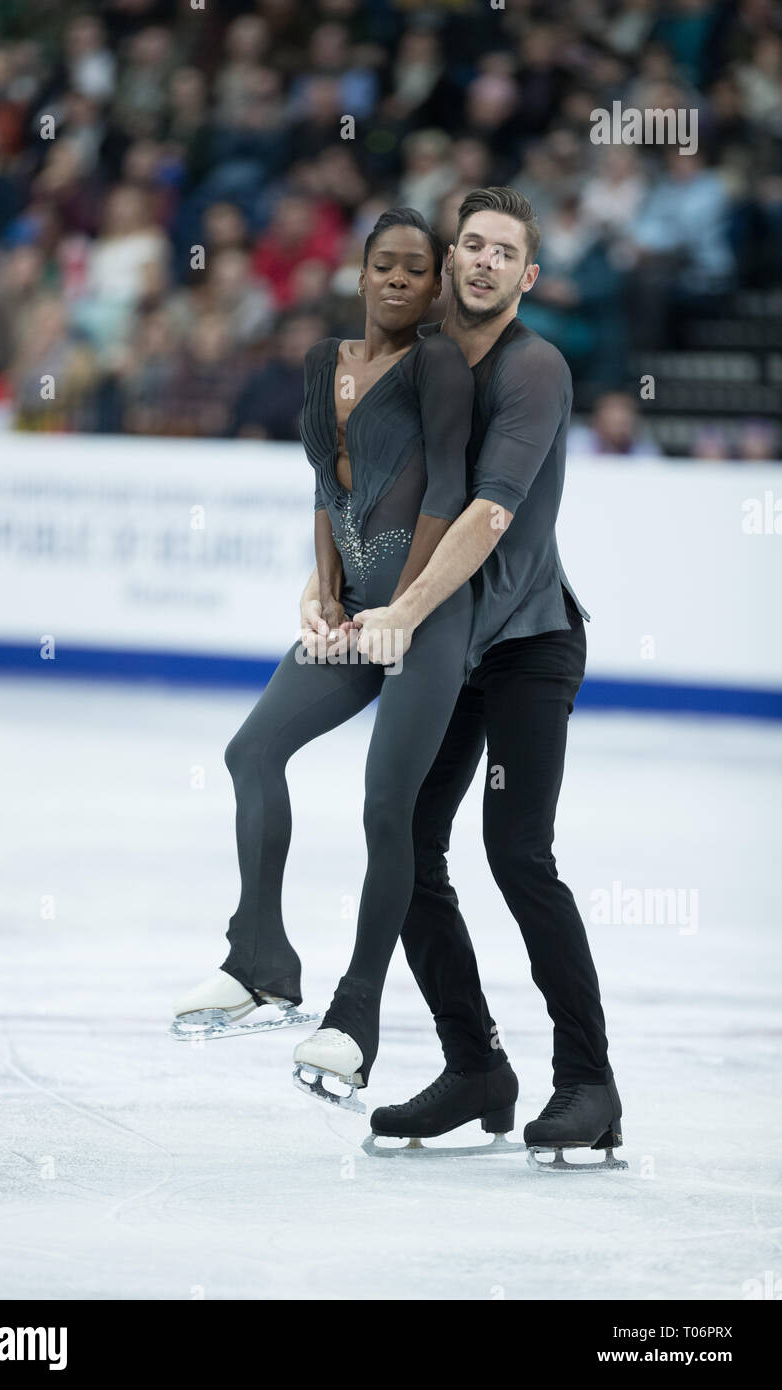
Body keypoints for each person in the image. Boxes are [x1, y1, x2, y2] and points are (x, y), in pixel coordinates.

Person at [303, 187, 623, 1165]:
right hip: (451, 642)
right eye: (468, 245)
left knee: (517, 850)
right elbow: (348, 477)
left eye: (502, 251)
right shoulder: (423, 355)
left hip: (523, 645)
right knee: (408, 841)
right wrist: (322, 589)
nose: (481, 261)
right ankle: (475, 1064)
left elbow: (484, 513)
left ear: (526, 277)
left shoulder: (533, 370)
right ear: (449, 266)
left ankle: (588, 1084)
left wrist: (399, 610)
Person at [172, 209, 477, 1093]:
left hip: (429, 618)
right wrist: (326, 593)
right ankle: (259, 961)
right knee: (252, 750)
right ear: (360, 274)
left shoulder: (440, 365)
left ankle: (357, 1016)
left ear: (433, 288)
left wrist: (405, 608)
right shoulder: (321, 363)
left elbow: (449, 491)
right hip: (351, 617)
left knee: (388, 811)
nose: (396, 280)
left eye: (416, 270)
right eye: (384, 265)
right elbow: (322, 488)